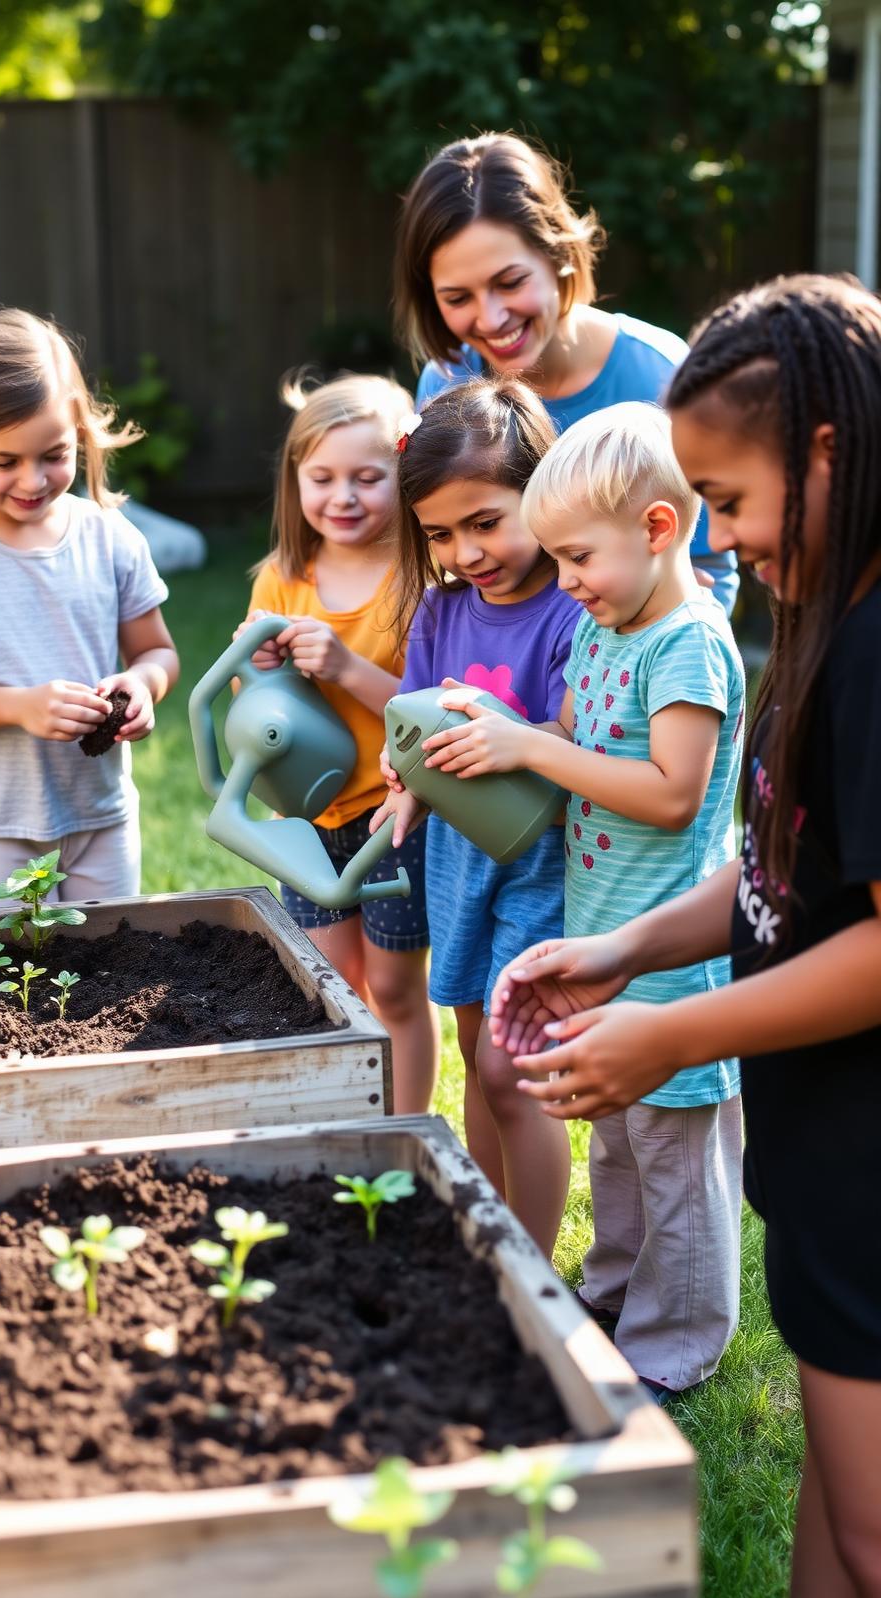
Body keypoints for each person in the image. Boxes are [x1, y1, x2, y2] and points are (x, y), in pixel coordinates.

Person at [491, 275, 881, 1596]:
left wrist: (676, 1032)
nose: (716, 536)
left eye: (725, 501)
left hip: (870, 1168)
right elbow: (780, 875)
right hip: (827, 1170)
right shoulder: (820, 619)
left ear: (824, 454)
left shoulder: (877, 651)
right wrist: (624, 953)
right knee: (837, 1516)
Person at [443, 401, 745, 1396]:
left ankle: (678, 1342)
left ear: (659, 529)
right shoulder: (604, 627)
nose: (563, 583)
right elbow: (563, 732)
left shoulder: (688, 645)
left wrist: (537, 745)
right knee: (617, 1136)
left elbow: (672, 794)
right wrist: (502, 723)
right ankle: (615, 1288)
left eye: (578, 560)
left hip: (674, 955)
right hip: (600, 939)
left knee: (673, 1157)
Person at [369, 376, 577, 1256]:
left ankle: (529, 1262)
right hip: (458, 860)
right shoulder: (441, 611)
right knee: (473, 1052)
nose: (465, 551)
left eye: (486, 522)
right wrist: (403, 775)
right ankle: (490, 1233)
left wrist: (511, 737)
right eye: (441, 535)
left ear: (544, 489)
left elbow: (568, 740)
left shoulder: (574, 610)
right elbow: (414, 722)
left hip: (539, 866)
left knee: (511, 1066)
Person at [0, 308, 178, 909]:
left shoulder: (113, 539)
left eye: (54, 454)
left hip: (102, 817)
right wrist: (18, 706)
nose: (33, 479)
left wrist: (144, 685)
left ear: (79, 434)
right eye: (5, 462)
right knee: (2, 987)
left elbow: (157, 651)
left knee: (110, 974)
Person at [394, 131, 739, 615]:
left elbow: (708, 568)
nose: (491, 319)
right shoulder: (446, 382)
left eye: (510, 282)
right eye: (457, 298)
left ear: (557, 255)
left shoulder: (662, 375)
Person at [241, 374, 439, 1113]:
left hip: (397, 811)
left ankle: (409, 1123)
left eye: (367, 477)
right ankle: (342, 1115)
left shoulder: (422, 579)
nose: (343, 497)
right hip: (311, 814)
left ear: (404, 476)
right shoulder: (283, 579)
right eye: (321, 478)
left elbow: (431, 713)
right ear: (294, 482)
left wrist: (348, 668)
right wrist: (255, 675)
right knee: (330, 976)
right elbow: (257, 719)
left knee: (392, 985)